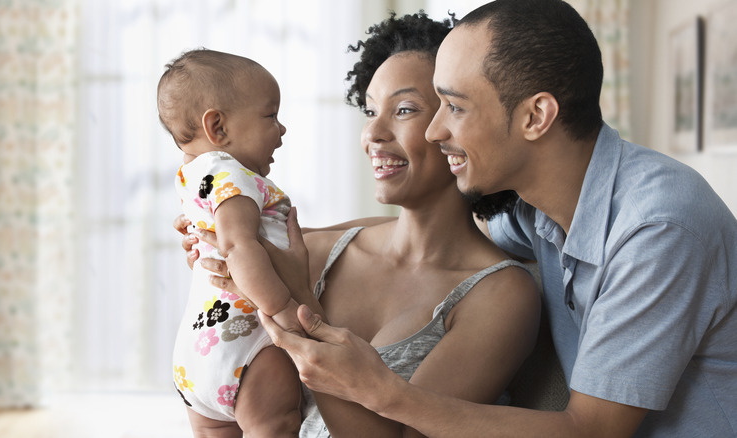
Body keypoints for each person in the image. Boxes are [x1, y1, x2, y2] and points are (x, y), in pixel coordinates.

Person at [258, 0, 737, 437]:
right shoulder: (537, 210)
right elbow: (433, 230)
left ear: (535, 117)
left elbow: (592, 432)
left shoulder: (658, 229)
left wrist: (383, 391)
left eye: (455, 107)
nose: (435, 129)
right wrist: (254, 237)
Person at [176, 12, 541, 438]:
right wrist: (209, 232)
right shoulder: (322, 246)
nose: (373, 133)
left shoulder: (501, 294)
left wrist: (299, 301)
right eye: (370, 111)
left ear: (457, 123)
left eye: (404, 110)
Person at [157, 49, 301, 437]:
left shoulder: (193, 176)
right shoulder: (230, 173)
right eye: (271, 116)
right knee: (277, 425)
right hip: (248, 341)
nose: (282, 129)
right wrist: (284, 308)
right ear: (217, 127)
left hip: (196, 353)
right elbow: (240, 248)